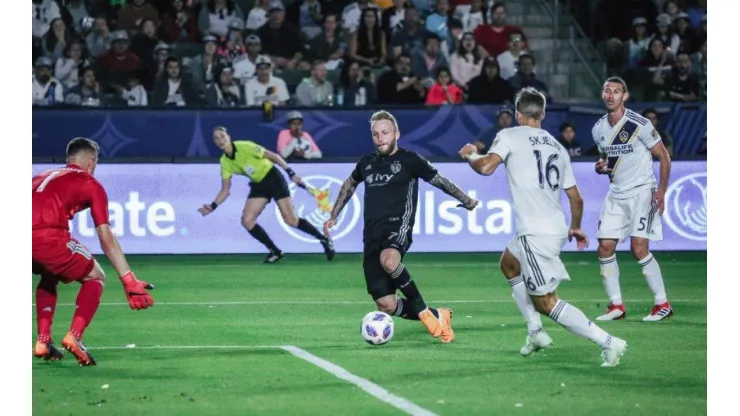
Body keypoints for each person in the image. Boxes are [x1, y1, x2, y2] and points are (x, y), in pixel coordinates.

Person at [459, 88, 627, 366]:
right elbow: (576, 197)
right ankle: (535, 332)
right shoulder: (557, 147)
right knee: (510, 263)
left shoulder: (509, 135)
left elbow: (487, 167)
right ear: (544, 114)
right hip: (553, 227)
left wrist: (471, 155)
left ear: (517, 114)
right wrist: (575, 227)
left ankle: (609, 342)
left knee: (546, 302)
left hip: (535, 232)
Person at [323, 110, 479, 343]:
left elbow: (440, 180)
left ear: (397, 133)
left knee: (389, 261)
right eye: (375, 134)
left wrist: (465, 199)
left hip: (398, 226)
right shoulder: (366, 163)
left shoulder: (410, 160)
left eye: (385, 133)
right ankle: (440, 314)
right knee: (386, 305)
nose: (380, 138)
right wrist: (334, 215)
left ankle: (424, 312)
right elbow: (349, 183)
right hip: (371, 236)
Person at [32, 137, 155, 366]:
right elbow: (105, 237)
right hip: (47, 238)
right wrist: (129, 280)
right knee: (96, 275)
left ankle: (43, 341)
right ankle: (75, 337)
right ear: (91, 161)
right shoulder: (89, 182)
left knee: (49, 275)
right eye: (96, 162)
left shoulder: (40, 176)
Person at [591, 77, 673, 322]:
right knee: (605, 247)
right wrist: (600, 167)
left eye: (616, 91)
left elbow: (664, 157)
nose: (610, 95)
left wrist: (661, 191)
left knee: (639, 248)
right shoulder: (598, 129)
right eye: (607, 91)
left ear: (624, 96)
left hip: (641, 192)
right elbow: (608, 161)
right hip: (616, 194)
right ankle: (616, 305)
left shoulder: (639, 124)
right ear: (602, 94)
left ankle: (662, 303)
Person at [199, 126, 335, 263]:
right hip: (259, 185)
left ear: (228, 136)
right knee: (247, 220)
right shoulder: (224, 162)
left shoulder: (244, 146)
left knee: (291, 219)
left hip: (273, 177)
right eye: (216, 138)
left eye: (222, 136)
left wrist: (290, 172)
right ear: (215, 143)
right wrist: (213, 206)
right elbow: (225, 190)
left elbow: (273, 156)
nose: (220, 140)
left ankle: (324, 239)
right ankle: (275, 251)